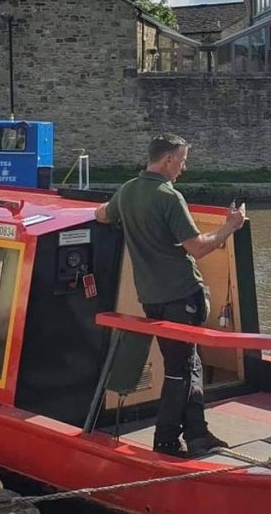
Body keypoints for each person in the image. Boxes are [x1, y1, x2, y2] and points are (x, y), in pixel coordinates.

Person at [95, 134, 246, 458]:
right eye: (181, 160)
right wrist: (230, 226)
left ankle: (197, 434)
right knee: (180, 370)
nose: (184, 167)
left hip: (151, 296)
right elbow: (198, 247)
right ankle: (164, 440)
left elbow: (102, 216)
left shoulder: (128, 191)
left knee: (187, 362)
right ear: (166, 161)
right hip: (182, 294)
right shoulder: (168, 196)